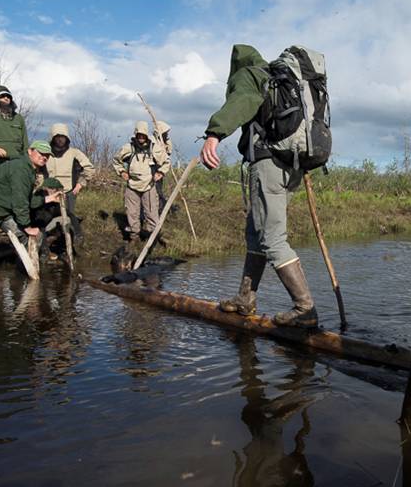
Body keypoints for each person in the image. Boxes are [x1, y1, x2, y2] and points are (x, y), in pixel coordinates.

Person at [199, 44, 318, 328]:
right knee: (256, 234)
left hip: (268, 163)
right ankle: (245, 299)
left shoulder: (251, 75)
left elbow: (241, 101)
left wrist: (215, 133)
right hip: (290, 165)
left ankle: (306, 309)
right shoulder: (284, 81)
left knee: (273, 239)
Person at [0, 140, 62, 273]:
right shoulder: (21, 168)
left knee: (28, 237)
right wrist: (27, 226)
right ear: (30, 151)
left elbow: (25, 199)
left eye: (47, 155)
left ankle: (25, 272)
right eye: (41, 153)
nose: (44, 157)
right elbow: (20, 203)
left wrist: (48, 198)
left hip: (1, 208)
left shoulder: (29, 169)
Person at [112, 120, 170, 241]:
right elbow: (116, 160)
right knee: (132, 213)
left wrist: (160, 172)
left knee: (152, 213)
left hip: (149, 185)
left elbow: (166, 162)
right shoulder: (128, 148)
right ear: (136, 135)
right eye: (139, 135)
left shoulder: (153, 148)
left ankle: (152, 238)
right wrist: (122, 172)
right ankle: (134, 237)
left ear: (147, 135)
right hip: (132, 186)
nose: (142, 138)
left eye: (144, 135)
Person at [45, 123, 96, 241]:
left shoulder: (74, 152)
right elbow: (38, 171)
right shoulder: (46, 152)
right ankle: (47, 243)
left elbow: (90, 168)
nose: (60, 140)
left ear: (67, 138)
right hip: (49, 193)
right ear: (53, 138)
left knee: (68, 219)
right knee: (47, 220)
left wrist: (80, 184)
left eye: (62, 137)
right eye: (57, 137)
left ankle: (68, 242)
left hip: (68, 192)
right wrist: (44, 188)